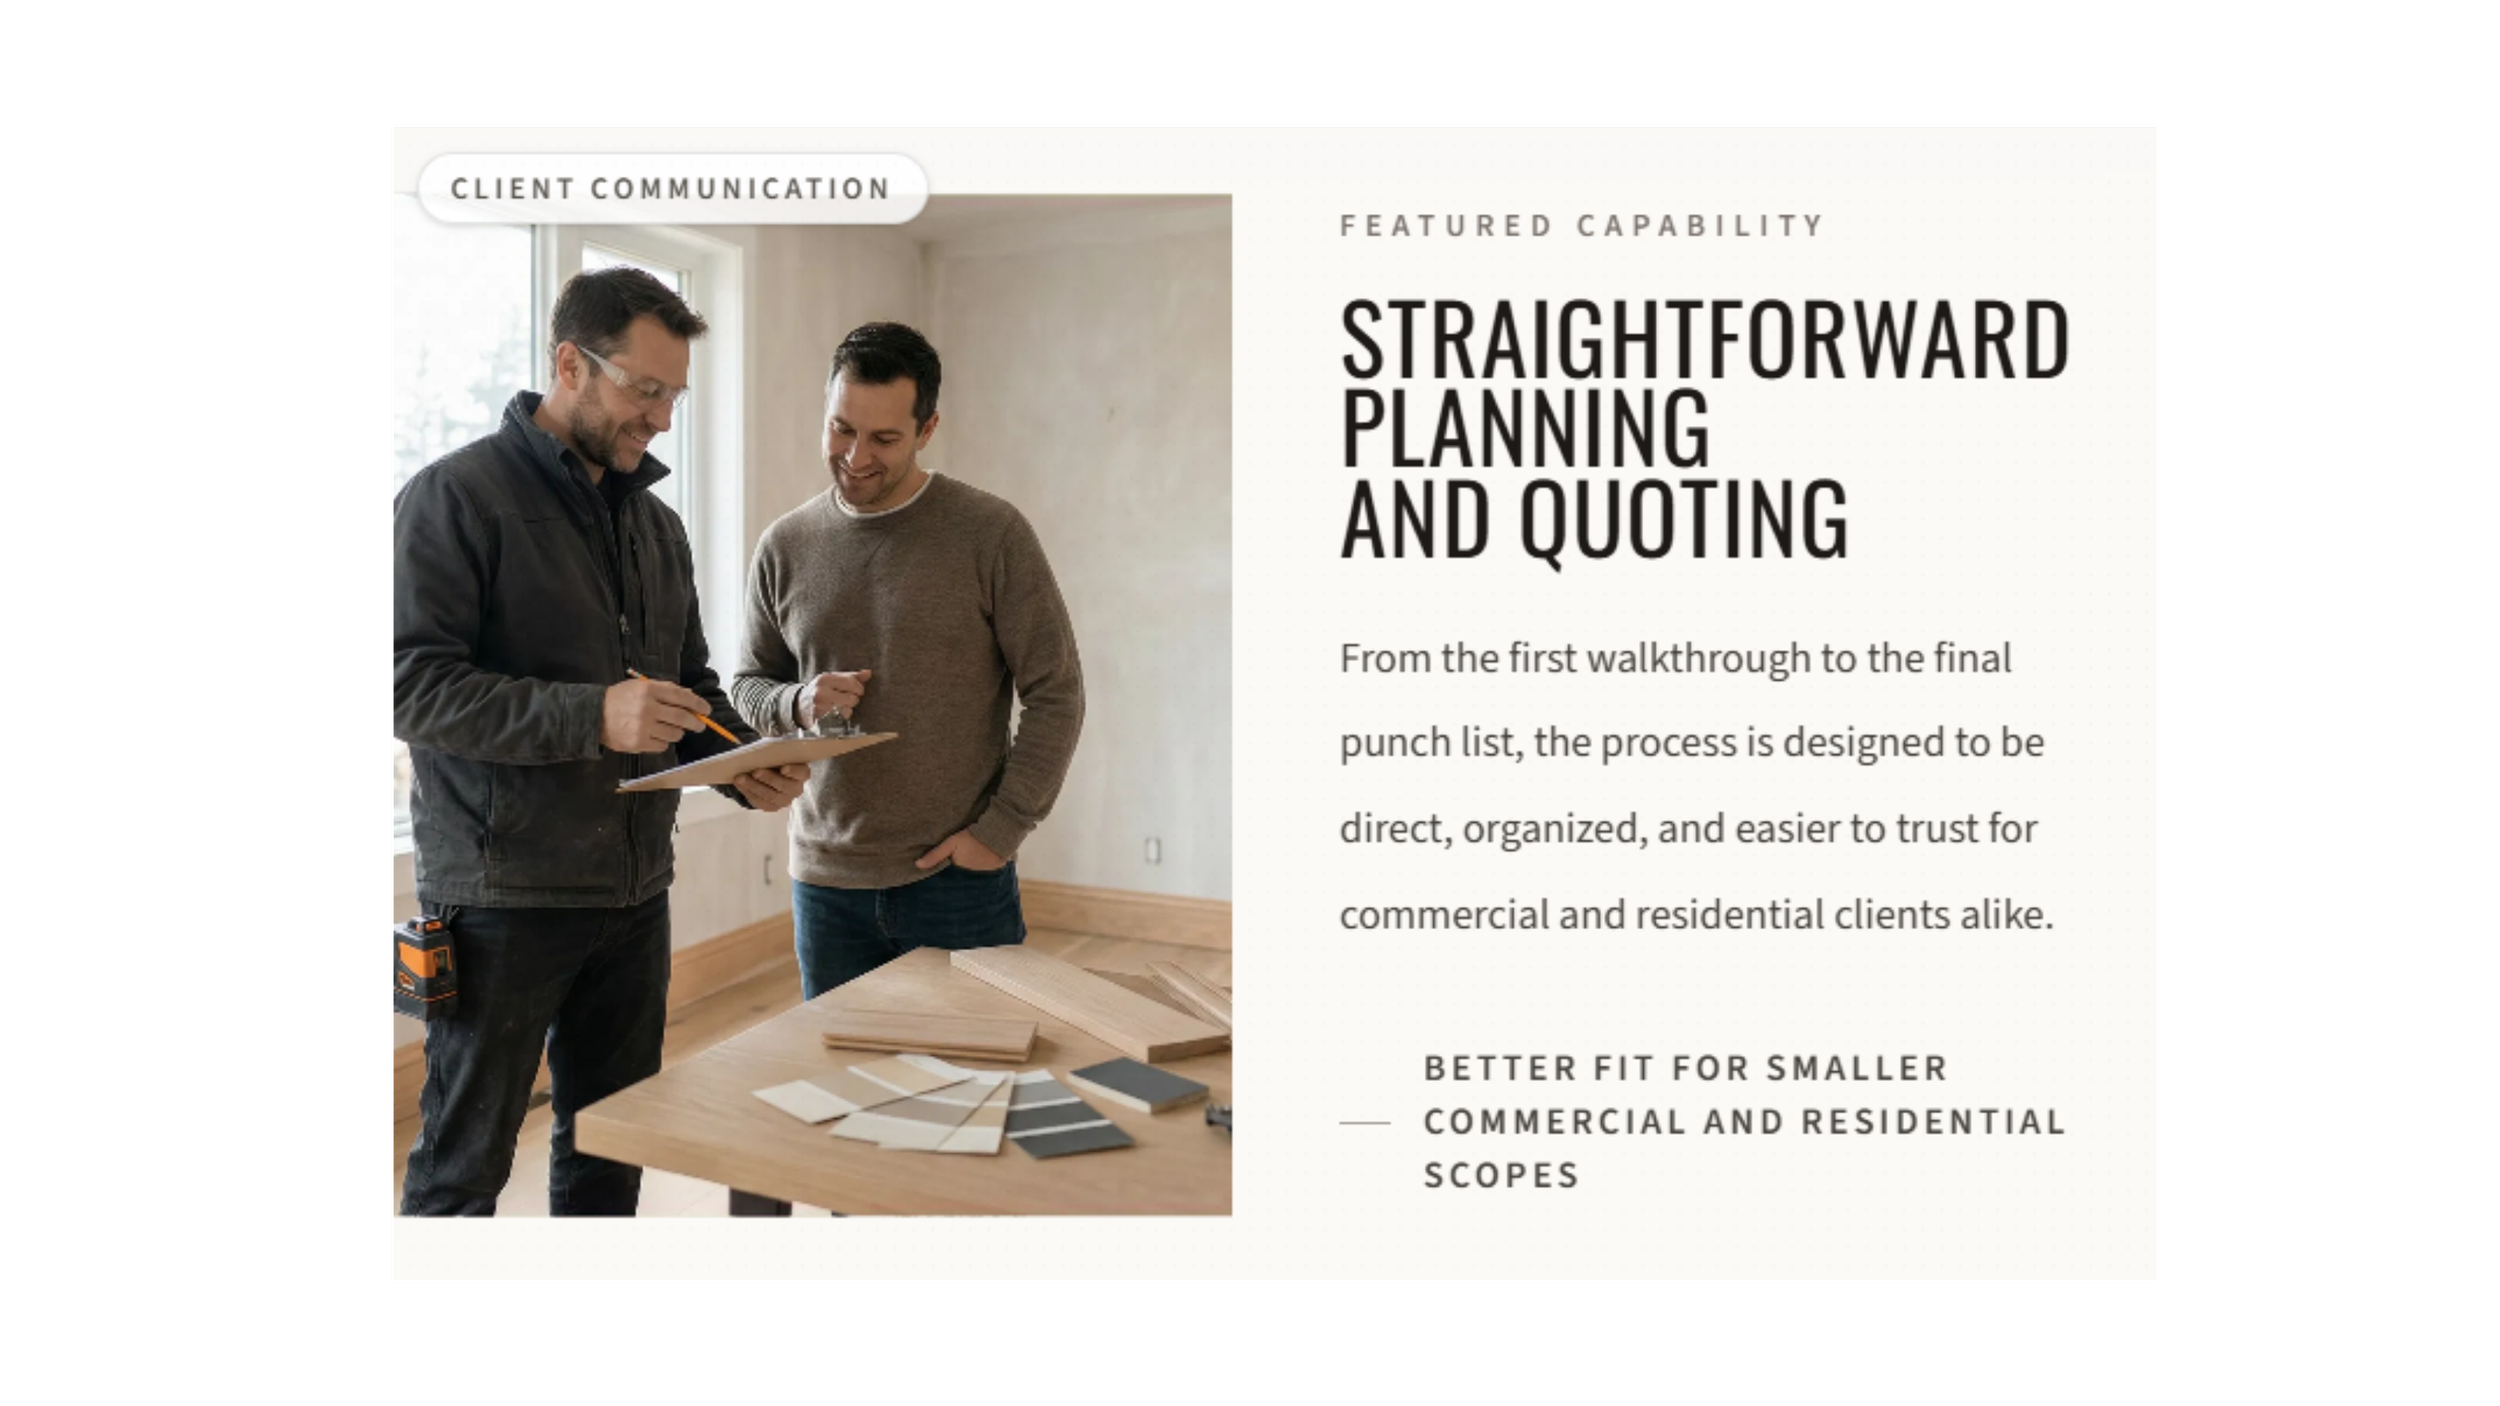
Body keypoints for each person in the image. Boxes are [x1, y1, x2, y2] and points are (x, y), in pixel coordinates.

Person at [392, 267, 809, 1216]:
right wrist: (593, 715)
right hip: (501, 902)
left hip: (633, 897)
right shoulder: (453, 499)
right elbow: (408, 682)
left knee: (609, 1156)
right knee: (462, 1170)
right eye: (645, 389)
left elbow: (693, 689)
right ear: (570, 365)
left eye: (675, 396)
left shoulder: (657, 526)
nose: (661, 419)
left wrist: (746, 766)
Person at [732, 322, 1084, 999]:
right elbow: (748, 683)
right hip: (825, 883)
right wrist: (793, 703)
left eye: (885, 439)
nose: (856, 456)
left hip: (958, 879)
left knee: (978, 1086)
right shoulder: (785, 544)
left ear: (927, 429)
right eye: (841, 429)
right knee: (844, 1092)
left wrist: (1002, 829)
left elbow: (1058, 691)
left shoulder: (991, 534)